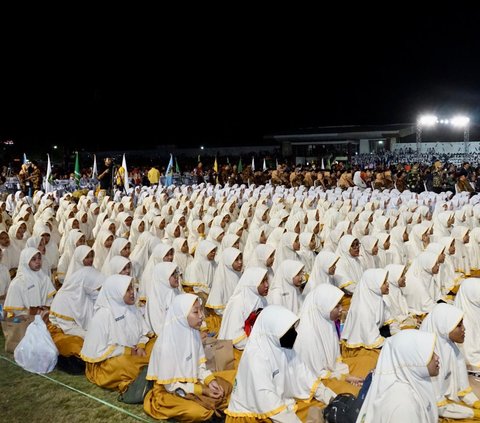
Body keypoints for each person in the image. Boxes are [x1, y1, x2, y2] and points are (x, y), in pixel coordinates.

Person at [225, 305, 337, 422]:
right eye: (288, 330)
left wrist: (333, 399)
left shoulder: (282, 346)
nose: (293, 333)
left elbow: (305, 377)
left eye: (293, 328)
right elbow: (269, 403)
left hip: (282, 408)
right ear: (273, 331)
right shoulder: (256, 356)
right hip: (256, 416)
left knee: (325, 408)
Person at [144, 293, 233, 421]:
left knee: (228, 384)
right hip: (171, 391)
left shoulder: (193, 333)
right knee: (200, 412)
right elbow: (171, 387)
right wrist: (203, 390)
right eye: (196, 312)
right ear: (182, 316)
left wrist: (210, 381)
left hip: (193, 381)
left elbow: (199, 366)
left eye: (200, 311)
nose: (202, 316)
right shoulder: (166, 344)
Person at [80, 274, 155, 393]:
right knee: (124, 363)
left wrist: (140, 345)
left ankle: (149, 372)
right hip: (107, 361)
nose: (132, 293)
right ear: (116, 292)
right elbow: (98, 351)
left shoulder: (131, 308)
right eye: (127, 290)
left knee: (157, 343)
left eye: (132, 288)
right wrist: (126, 351)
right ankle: (151, 374)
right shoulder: (102, 316)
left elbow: (143, 332)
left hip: (135, 351)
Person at [294, 284, 364, 396]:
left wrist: (345, 376)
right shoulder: (306, 332)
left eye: (340, 304)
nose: (341, 309)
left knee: (366, 364)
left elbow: (334, 363)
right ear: (324, 306)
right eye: (337, 306)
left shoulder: (326, 320)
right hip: (319, 382)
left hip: (332, 372)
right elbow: (316, 374)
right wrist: (344, 378)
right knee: (353, 392)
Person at [356, 329, 439, 422]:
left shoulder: (413, 380)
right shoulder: (403, 405)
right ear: (413, 359)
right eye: (431, 355)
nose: (437, 357)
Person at [420, 303, 480, 420]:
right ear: (443, 327)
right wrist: (472, 413)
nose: (464, 329)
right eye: (458, 325)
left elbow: (463, 390)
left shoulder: (453, 350)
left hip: (449, 405)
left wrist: (475, 403)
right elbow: (438, 406)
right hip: (436, 410)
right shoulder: (427, 360)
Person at [4, 247, 56, 318]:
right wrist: (33, 311)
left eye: (39, 258)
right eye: (33, 259)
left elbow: (49, 301)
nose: (38, 261)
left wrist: (46, 308)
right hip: (25, 322)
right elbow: (15, 311)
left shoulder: (45, 278)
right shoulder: (17, 283)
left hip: (44, 318)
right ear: (25, 261)